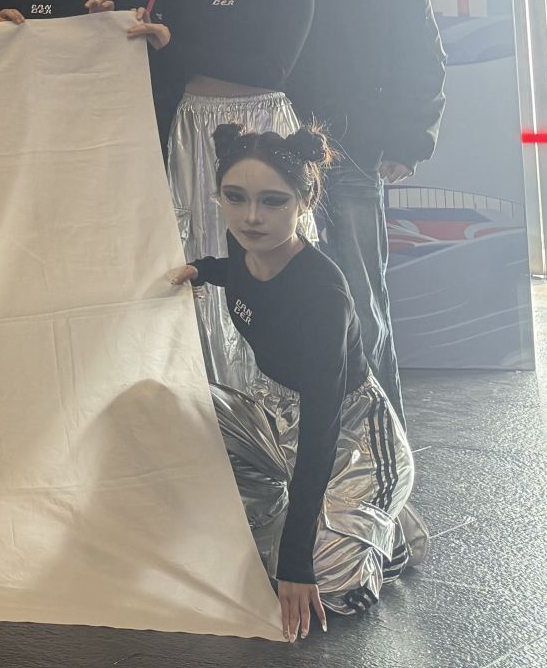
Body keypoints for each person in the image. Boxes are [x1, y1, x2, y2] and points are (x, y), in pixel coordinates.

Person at [172, 123, 422, 640]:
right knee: (172, 404)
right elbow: (237, 271)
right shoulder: (246, 242)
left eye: (273, 201)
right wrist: (200, 270)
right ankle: (314, 519)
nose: (251, 217)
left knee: (328, 587)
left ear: (304, 201)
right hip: (274, 414)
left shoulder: (323, 294)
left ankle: (390, 530)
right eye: (234, 197)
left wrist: (295, 559)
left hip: (348, 434)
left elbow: (321, 431)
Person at [264, 0, 446, 420]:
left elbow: (423, 56)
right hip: (272, 156)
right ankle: (294, 434)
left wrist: (408, 141)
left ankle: (380, 433)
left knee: (362, 300)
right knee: (278, 295)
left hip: (356, 154)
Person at [155, 0, 317, 393]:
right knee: (198, 243)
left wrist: (175, 45)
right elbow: (164, 61)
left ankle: (278, 391)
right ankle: (205, 394)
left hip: (264, 122)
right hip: (193, 126)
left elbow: (273, 68)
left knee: (268, 243)